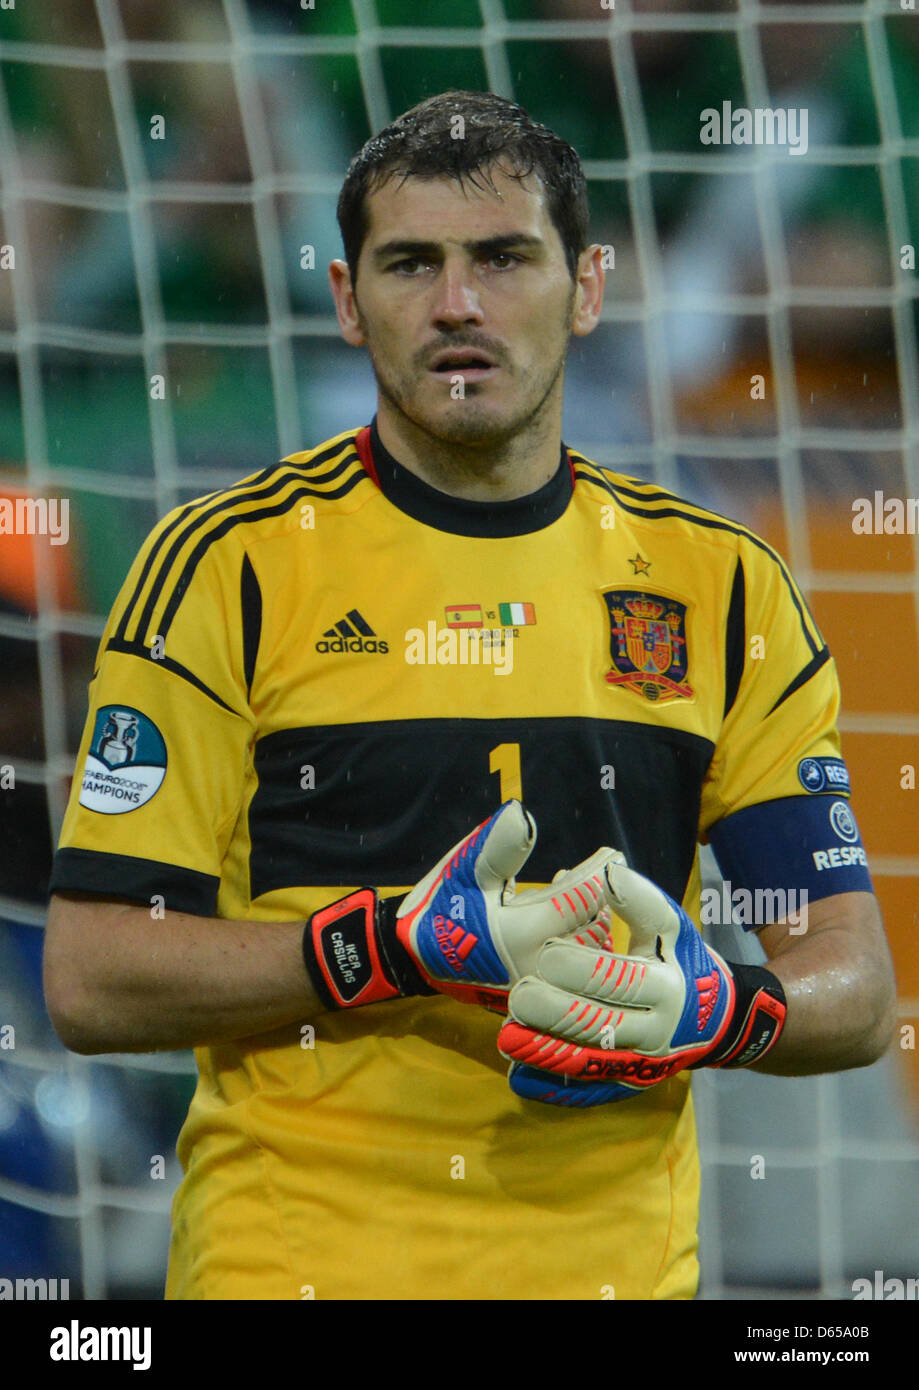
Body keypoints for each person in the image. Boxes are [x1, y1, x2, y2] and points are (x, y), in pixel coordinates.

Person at [43, 91, 896, 1301]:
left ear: (587, 287)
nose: (458, 304)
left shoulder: (722, 588)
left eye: (502, 258)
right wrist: (378, 947)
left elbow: (854, 988)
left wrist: (721, 1010)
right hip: (294, 1270)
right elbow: (90, 973)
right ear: (347, 301)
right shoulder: (225, 566)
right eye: (411, 264)